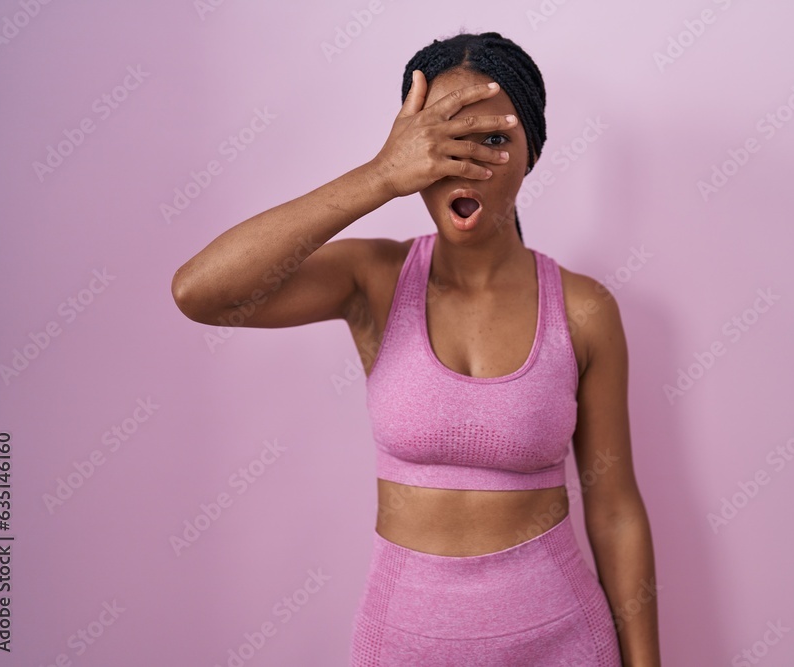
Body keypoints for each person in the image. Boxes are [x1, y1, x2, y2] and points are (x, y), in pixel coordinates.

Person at [171, 30, 660, 667]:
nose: (468, 164)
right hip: (403, 644)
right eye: (443, 140)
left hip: (563, 639)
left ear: (530, 153)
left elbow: (615, 508)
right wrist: (379, 176)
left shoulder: (584, 309)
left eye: (494, 139)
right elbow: (200, 292)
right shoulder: (372, 281)